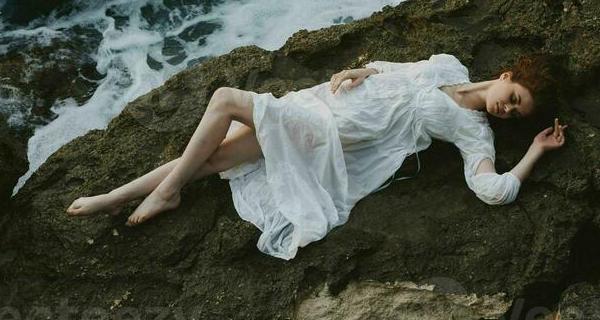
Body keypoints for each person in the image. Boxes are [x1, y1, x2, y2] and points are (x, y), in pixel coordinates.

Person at [67, 52, 566, 259]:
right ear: (507, 75)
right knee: (218, 156)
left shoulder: (473, 132)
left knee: (224, 99)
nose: (508, 111)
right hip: (321, 101)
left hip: (330, 133)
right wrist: (359, 72)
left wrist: (534, 152)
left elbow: (492, 190)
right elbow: (392, 67)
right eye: (516, 98)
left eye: (518, 115)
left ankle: (168, 192)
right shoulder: (448, 65)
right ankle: (116, 196)